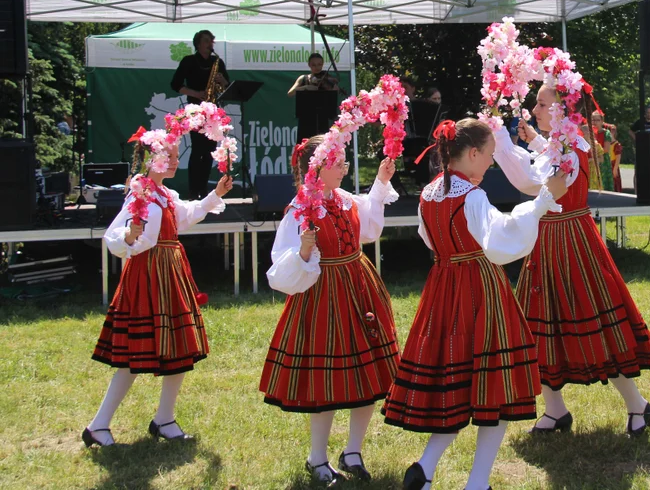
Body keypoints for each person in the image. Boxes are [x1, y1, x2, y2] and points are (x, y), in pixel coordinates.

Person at [382, 119, 567, 490]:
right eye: (489, 155)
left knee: (457, 384)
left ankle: (427, 465)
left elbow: (431, 241)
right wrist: (543, 202)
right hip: (480, 289)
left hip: (442, 288)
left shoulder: (428, 193)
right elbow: (500, 240)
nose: (491, 163)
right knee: (493, 384)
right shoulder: (472, 195)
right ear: (472, 153)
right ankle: (478, 482)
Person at [495, 86, 650, 436]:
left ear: (560, 110)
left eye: (542, 104)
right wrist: (536, 141)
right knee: (542, 323)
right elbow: (549, 161)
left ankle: (637, 404)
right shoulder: (563, 142)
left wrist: (500, 142)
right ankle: (555, 410)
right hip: (551, 238)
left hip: (571, 241)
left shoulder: (571, 144)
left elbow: (535, 182)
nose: (535, 109)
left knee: (591, 318)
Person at [260, 138, 400, 485]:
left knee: (367, 375)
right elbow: (280, 268)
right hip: (322, 293)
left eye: (343, 162)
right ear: (315, 169)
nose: (344, 167)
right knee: (328, 379)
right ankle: (317, 457)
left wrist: (381, 182)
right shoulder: (300, 209)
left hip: (359, 288)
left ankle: (353, 451)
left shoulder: (347, 199)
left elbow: (368, 229)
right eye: (337, 162)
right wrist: (304, 252)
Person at [83, 139, 233, 447]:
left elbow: (185, 216)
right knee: (133, 352)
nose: (177, 161)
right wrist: (128, 234)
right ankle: (99, 425)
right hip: (147, 275)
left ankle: (164, 418)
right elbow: (114, 235)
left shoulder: (165, 195)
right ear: (152, 160)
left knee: (179, 346)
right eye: (170, 156)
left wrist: (215, 194)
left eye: (178, 156)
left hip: (170, 272)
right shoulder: (140, 192)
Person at [170, 30, 229, 200]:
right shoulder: (189, 61)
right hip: (195, 111)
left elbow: (227, 86)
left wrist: (222, 81)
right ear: (198, 44)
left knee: (209, 150)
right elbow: (175, 84)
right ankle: (193, 190)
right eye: (206, 41)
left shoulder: (217, 62)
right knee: (197, 150)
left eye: (211, 41)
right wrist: (196, 93)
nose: (210, 44)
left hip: (212, 110)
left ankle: (203, 190)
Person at [589, 110, 616, 191]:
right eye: (593, 120)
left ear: (602, 121)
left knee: (602, 179)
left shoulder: (606, 133)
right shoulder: (588, 132)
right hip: (591, 160)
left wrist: (595, 154)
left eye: (597, 120)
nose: (595, 122)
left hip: (602, 160)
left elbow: (606, 149)